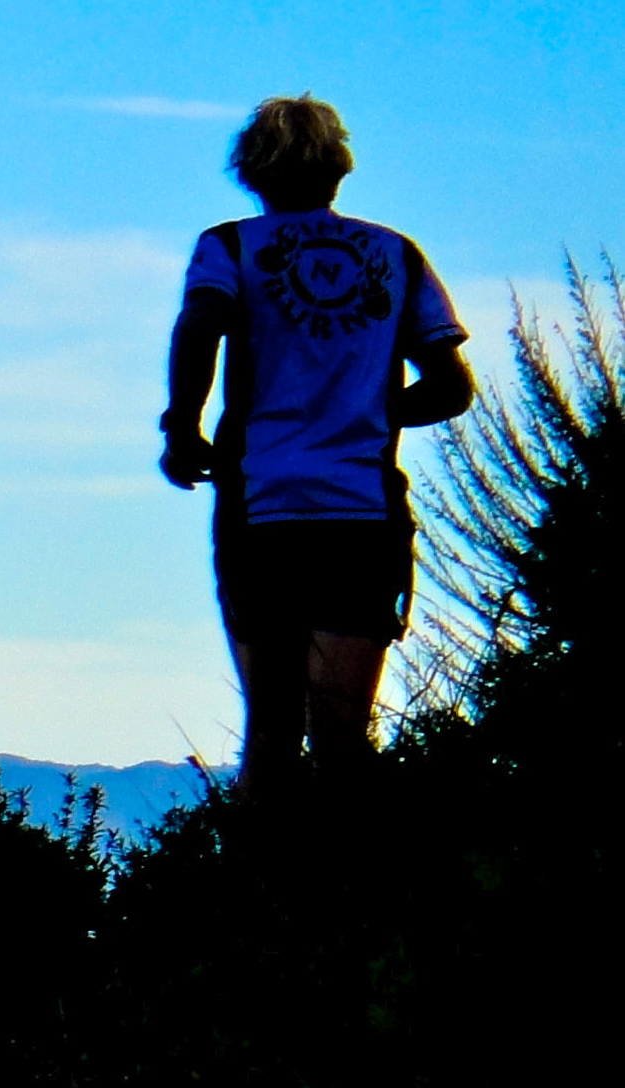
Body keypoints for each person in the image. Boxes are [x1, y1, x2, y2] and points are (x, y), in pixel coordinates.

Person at [160, 95, 473, 789]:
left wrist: (182, 425)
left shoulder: (229, 247)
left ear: (250, 169)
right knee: (341, 738)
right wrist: (366, 413)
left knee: (269, 735)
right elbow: (451, 387)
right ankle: (359, 890)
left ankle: (249, 893)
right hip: (362, 515)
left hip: (259, 508)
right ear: (338, 167)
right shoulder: (397, 255)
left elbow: (201, 322)